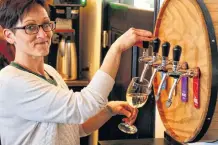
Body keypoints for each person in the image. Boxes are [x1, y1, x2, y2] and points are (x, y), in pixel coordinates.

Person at [0, 0, 153, 145]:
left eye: (46, 24)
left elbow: (75, 127)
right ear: (9, 35)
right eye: (31, 27)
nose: (43, 34)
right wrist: (116, 48)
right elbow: (82, 107)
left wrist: (108, 110)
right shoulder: (10, 82)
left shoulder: (50, 72)